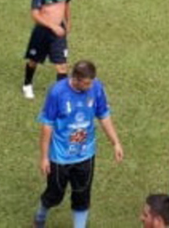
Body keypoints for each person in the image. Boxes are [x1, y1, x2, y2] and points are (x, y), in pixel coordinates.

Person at [34, 60, 124, 228]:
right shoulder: (57, 92)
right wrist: (44, 157)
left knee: (82, 195)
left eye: (92, 82)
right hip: (60, 157)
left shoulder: (96, 88)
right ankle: (40, 217)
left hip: (85, 154)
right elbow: (47, 126)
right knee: (55, 195)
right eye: (87, 83)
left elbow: (103, 115)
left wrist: (115, 143)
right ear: (75, 78)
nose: (90, 87)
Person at [22, 0, 73, 99]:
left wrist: (68, 22)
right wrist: (52, 26)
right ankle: (27, 84)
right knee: (33, 61)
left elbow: (66, 4)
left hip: (59, 33)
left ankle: (62, 95)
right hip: (42, 32)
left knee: (62, 65)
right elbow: (35, 15)